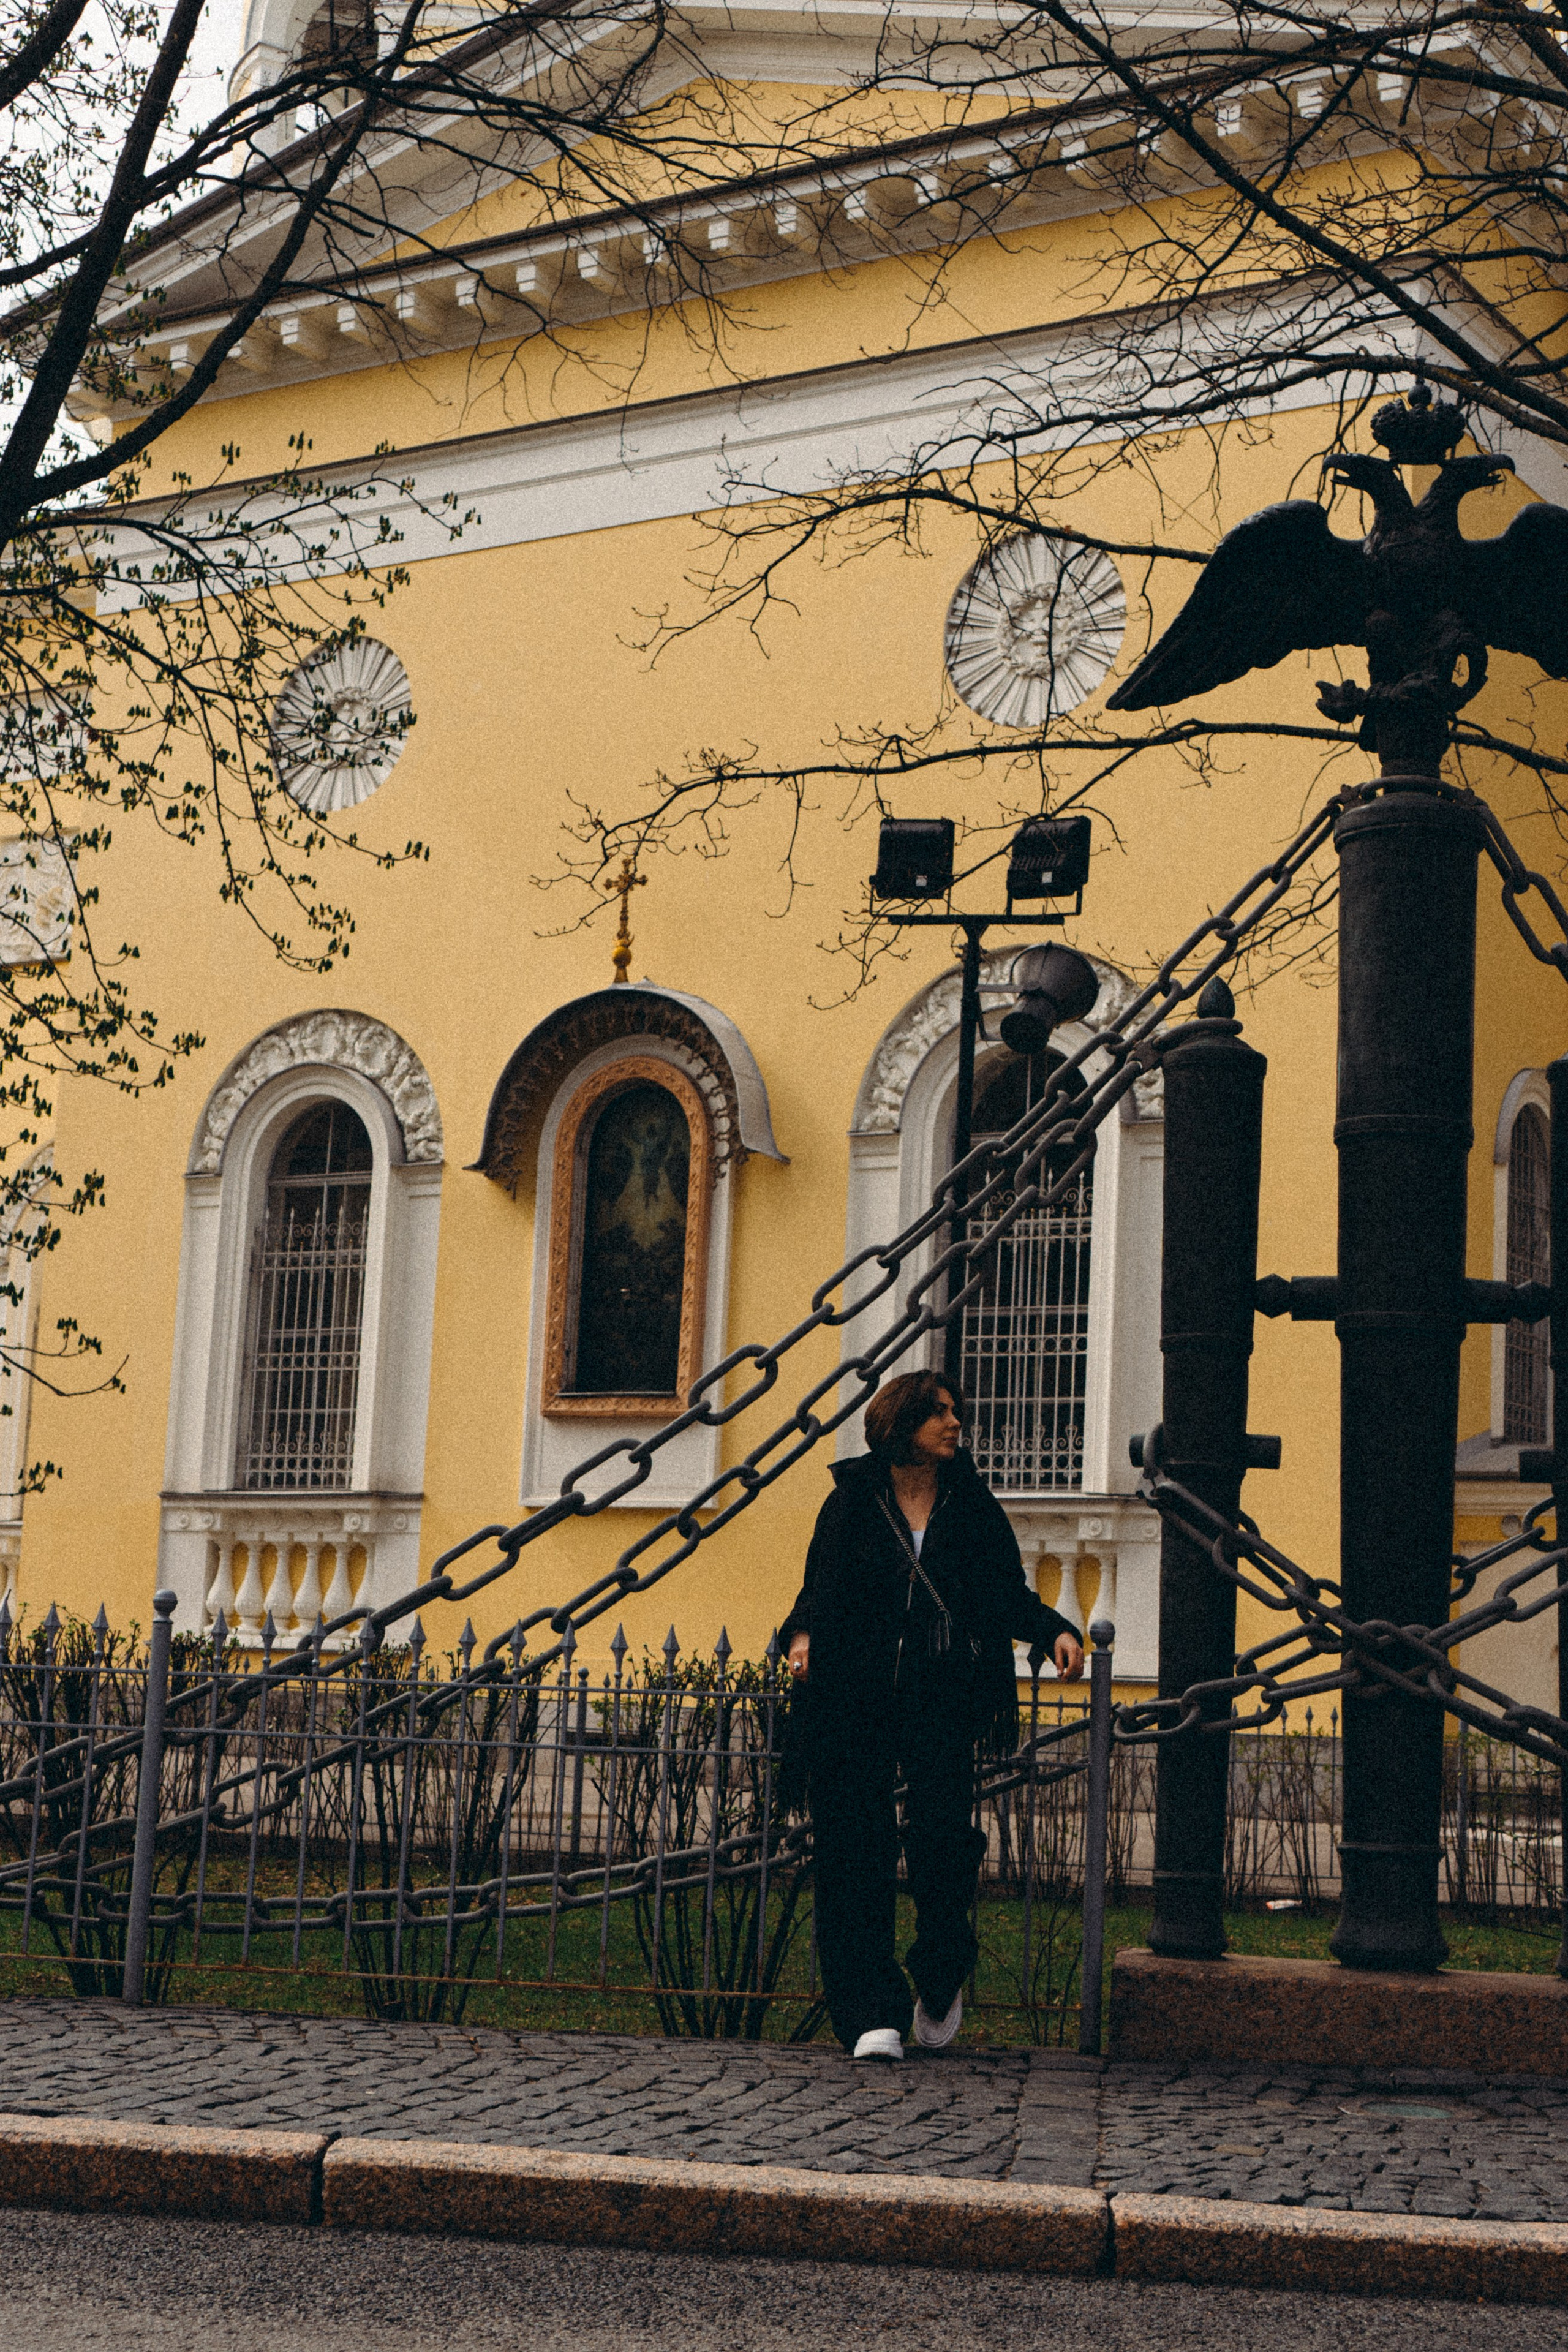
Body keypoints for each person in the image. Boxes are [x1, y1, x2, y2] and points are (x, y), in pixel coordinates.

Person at [780, 1368, 1084, 2061]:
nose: (955, 1424)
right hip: (856, 1696)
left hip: (941, 1694)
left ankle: (941, 1971)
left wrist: (1051, 1629)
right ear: (901, 1422)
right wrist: (801, 1639)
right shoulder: (853, 1501)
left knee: (944, 1844)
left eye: (956, 1412)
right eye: (939, 1413)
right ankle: (869, 2011)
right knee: (855, 1848)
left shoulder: (971, 1505)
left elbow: (1003, 1591)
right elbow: (818, 1589)